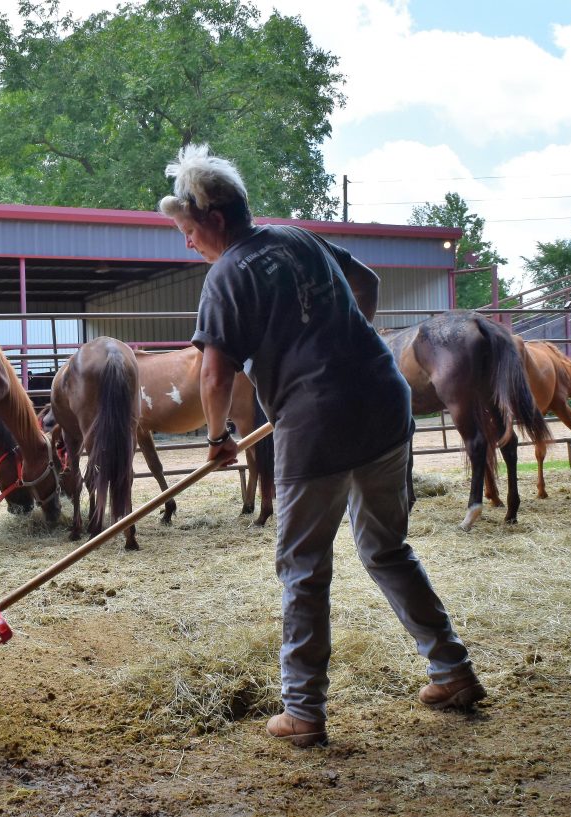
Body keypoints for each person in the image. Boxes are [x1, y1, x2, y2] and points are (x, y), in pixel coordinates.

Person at [158, 144, 486, 748]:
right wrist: (335, 340)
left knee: (304, 569)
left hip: (315, 425)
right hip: (385, 403)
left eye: (187, 228)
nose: (186, 241)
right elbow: (367, 281)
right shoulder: (298, 237)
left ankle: (303, 712)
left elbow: (213, 375)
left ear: (216, 220)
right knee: (387, 549)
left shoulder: (226, 275)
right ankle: (453, 671)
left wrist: (217, 438)